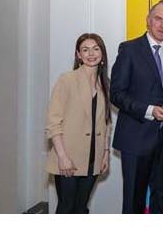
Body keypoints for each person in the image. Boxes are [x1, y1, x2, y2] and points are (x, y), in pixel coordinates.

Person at [110, 0, 163, 214]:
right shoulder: (129, 49)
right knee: (134, 202)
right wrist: (149, 110)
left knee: (162, 201)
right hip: (136, 138)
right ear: (148, 20)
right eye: (158, 19)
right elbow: (116, 93)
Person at [45, 33, 112, 213]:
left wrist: (105, 153)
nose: (91, 53)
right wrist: (62, 157)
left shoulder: (105, 84)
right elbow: (53, 122)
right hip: (68, 158)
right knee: (66, 208)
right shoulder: (67, 80)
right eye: (85, 49)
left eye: (96, 49)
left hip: (94, 159)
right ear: (78, 55)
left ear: (102, 54)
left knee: (81, 208)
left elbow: (106, 122)